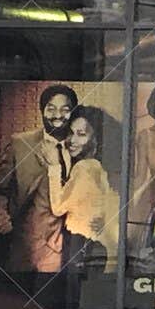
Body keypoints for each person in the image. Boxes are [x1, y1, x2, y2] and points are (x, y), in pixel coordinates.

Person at [0, 82, 78, 286]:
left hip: (65, 248)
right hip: (23, 243)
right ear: (42, 111)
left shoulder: (80, 146)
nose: (57, 115)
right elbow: (0, 188)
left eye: (65, 110)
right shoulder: (20, 143)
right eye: (51, 108)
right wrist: (1, 219)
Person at [49, 105, 119, 273]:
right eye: (71, 133)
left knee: (75, 296)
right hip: (94, 245)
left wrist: (53, 166)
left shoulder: (84, 167)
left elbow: (58, 208)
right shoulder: (100, 168)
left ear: (96, 139)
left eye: (81, 135)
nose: (72, 140)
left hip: (79, 244)